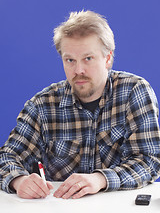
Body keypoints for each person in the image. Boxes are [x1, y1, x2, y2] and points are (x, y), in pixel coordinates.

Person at [0, 10, 160, 200]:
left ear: (107, 58)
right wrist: (18, 181)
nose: (78, 70)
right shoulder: (42, 105)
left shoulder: (134, 91)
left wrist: (100, 179)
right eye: (70, 60)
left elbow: (149, 161)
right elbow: (6, 158)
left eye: (88, 58)